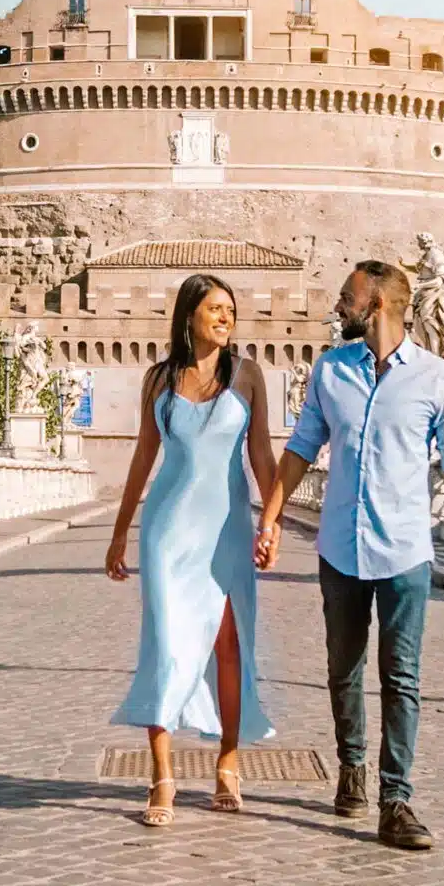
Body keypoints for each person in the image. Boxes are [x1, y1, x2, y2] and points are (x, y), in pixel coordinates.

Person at [256, 260, 444, 852]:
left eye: (348, 298)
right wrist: (271, 518)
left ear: (376, 304)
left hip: (404, 549)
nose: (339, 306)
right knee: (343, 669)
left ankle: (396, 799)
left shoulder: (436, 379)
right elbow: (301, 448)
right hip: (339, 549)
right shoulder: (330, 371)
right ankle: (351, 766)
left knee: (401, 677)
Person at [105, 274, 279, 827]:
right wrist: (120, 530)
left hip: (227, 530)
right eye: (215, 309)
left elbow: (262, 458)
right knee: (167, 644)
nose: (226, 318)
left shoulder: (248, 376)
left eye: (231, 309)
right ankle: (162, 776)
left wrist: (270, 523)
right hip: (167, 531)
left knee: (228, 645)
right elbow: (142, 459)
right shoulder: (159, 379)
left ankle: (228, 760)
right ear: (189, 315)